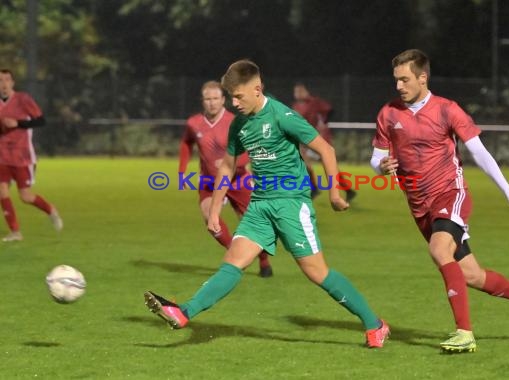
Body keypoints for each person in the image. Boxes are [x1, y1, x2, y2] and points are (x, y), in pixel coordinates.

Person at [146, 60, 390, 348]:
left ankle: (375, 324)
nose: (234, 103)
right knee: (232, 263)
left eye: (239, 96)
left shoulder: (282, 116)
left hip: (291, 205)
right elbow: (227, 166)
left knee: (317, 272)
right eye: (231, 97)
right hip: (260, 205)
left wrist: (335, 193)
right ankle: (183, 312)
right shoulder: (239, 124)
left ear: (257, 89)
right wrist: (213, 209)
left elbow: (325, 149)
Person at [370, 49, 509, 353]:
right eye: (396, 80)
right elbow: (376, 159)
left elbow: (479, 152)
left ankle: (464, 333)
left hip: (451, 193)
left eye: (405, 79)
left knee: (439, 250)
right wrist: (381, 167)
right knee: (472, 275)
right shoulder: (388, 113)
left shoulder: (447, 109)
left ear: (423, 78)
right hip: (418, 204)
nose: (399, 86)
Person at [179, 80, 272, 277]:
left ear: (223, 100)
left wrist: (233, 162)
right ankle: (234, 253)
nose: (211, 102)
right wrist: (182, 172)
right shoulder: (193, 123)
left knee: (252, 224)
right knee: (209, 219)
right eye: (207, 99)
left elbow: (252, 149)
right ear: (202, 101)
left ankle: (264, 261)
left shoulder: (236, 122)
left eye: (215, 98)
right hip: (209, 182)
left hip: (238, 180)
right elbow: (186, 143)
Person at [0, 69, 63, 242]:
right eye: (0, 80)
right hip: (2, 156)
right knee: (2, 191)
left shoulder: (23, 99)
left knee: (25, 196)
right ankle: (15, 232)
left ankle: (51, 210)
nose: (3, 84)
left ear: (13, 83)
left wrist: (18, 123)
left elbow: (41, 121)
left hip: (22, 156)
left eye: (7, 80)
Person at [292, 83, 357, 202]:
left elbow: (330, 110)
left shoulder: (315, 102)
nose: (298, 94)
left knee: (329, 166)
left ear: (306, 91)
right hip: (303, 138)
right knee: (303, 163)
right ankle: (313, 188)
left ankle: (348, 190)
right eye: (296, 91)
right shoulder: (295, 106)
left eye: (300, 91)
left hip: (318, 137)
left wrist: (323, 124)